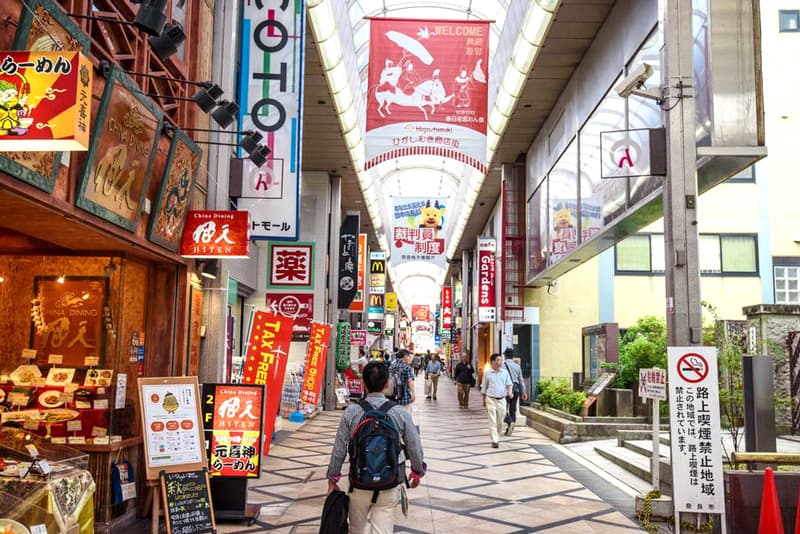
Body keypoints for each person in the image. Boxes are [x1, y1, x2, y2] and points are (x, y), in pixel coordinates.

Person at [326, 361, 426, 534]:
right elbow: (414, 446)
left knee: (357, 529)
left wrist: (333, 477)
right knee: (382, 530)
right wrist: (417, 472)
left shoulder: (351, 412)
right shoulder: (400, 413)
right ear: (387, 383)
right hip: (391, 481)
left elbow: (339, 448)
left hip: (359, 481)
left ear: (363, 384)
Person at [481, 353, 512, 448]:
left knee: (500, 421)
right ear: (493, 362)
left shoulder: (505, 373)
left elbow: (509, 384)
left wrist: (510, 392)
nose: (500, 362)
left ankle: (496, 435)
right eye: (498, 360)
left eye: (501, 360)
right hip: (490, 399)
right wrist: (483, 400)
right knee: (492, 420)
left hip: (502, 399)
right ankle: (495, 440)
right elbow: (484, 387)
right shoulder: (487, 373)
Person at [502, 348, 528, 436]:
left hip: (505, 389)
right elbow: (521, 380)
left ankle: (509, 422)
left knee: (503, 408)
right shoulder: (517, 366)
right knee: (513, 408)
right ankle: (512, 423)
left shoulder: (502, 365)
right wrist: (524, 392)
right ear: (512, 356)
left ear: (505, 356)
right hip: (516, 389)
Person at [389, 349, 416, 414]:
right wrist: (413, 393)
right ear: (405, 356)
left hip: (392, 398)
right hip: (404, 398)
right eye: (409, 356)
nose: (410, 358)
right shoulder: (407, 367)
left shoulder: (392, 366)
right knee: (405, 418)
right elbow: (410, 381)